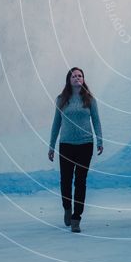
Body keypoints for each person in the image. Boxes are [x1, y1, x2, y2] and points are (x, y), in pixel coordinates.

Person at [48, 67, 103, 233]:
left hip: (86, 145)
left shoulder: (90, 100)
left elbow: (96, 121)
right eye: (74, 76)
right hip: (66, 145)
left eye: (80, 76)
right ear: (69, 80)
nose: (77, 78)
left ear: (83, 79)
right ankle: (67, 207)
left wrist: (100, 140)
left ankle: (76, 218)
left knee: (80, 181)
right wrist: (51, 145)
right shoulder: (61, 99)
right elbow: (56, 123)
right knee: (65, 180)